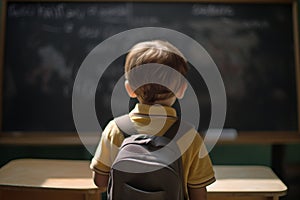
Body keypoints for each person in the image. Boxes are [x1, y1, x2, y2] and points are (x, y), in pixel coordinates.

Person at [90, 40, 215, 200]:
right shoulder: (189, 136)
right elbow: (198, 194)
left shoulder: (115, 129)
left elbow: (100, 181)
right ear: (182, 89)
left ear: (130, 89)